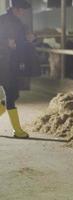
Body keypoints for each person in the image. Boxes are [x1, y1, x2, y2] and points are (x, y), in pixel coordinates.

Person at [0, 0, 32, 138]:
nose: (23, 12)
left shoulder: (17, 23)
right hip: (3, 62)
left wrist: (28, 39)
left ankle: (17, 130)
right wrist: (6, 43)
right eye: (22, 9)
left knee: (13, 94)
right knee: (11, 94)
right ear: (15, 9)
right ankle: (17, 130)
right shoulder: (3, 20)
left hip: (10, 63)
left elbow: (19, 43)